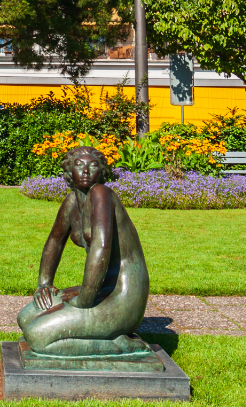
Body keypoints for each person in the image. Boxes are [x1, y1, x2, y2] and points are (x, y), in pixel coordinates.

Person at [16, 145, 150, 356]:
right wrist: (44, 284)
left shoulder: (100, 194)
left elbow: (101, 247)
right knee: (25, 317)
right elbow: (54, 242)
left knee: (37, 336)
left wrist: (84, 299)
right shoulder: (72, 202)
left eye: (93, 165)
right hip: (102, 288)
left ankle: (116, 345)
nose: (85, 170)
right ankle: (96, 331)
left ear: (102, 172)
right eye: (79, 165)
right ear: (69, 172)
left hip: (123, 295)